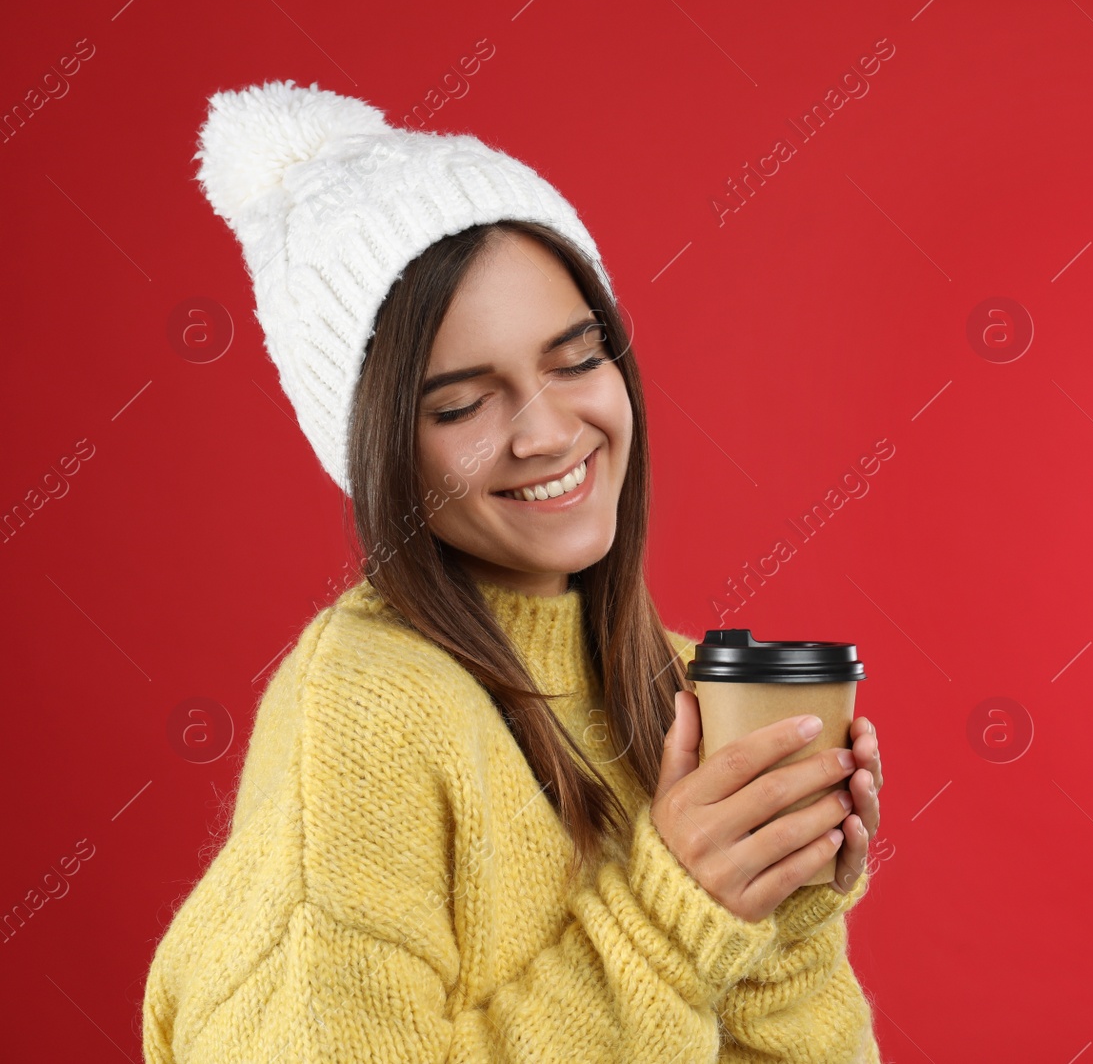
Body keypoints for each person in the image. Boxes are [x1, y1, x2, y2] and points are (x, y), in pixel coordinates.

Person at [140, 80, 886, 1063]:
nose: (547, 431)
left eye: (577, 359)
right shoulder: (364, 709)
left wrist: (781, 908)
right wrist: (672, 920)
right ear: (375, 451)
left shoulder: (675, 682)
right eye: (463, 405)